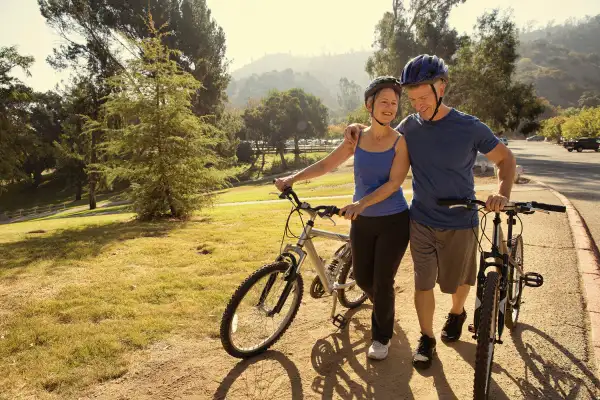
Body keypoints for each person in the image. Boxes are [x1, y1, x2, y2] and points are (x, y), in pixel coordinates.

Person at [344, 54, 516, 369]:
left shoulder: (470, 127)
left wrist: (500, 193)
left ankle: (456, 313)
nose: (419, 104)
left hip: (461, 220)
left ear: (442, 87)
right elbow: (382, 131)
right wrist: (356, 126)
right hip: (421, 219)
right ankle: (427, 338)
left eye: (424, 97)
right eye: (412, 99)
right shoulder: (410, 127)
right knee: (423, 283)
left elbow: (506, 160)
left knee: (459, 282)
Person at [274, 76, 411, 360]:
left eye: (394, 103)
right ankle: (386, 307)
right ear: (369, 105)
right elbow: (326, 164)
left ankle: (381, 337)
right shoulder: (356, 137)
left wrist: (361, 203)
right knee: (362, 278)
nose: (389, 107)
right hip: (362, 221)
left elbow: (394, 184)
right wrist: (292, 178)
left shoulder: (400, 142)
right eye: (383, 102)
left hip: (393, 220)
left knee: (382, 280)